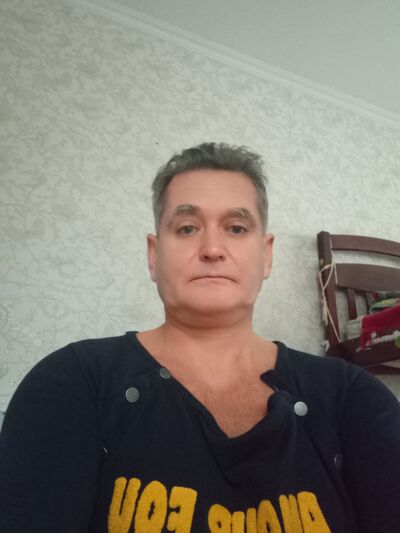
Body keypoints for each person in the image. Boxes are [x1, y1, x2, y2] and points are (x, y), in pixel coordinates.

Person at [0, 142, 399, 532]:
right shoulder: (73, 382)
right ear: (154, 255)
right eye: (187, 228)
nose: (212, 249)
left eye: (236, 228)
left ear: (266, 255)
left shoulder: (350, 395)